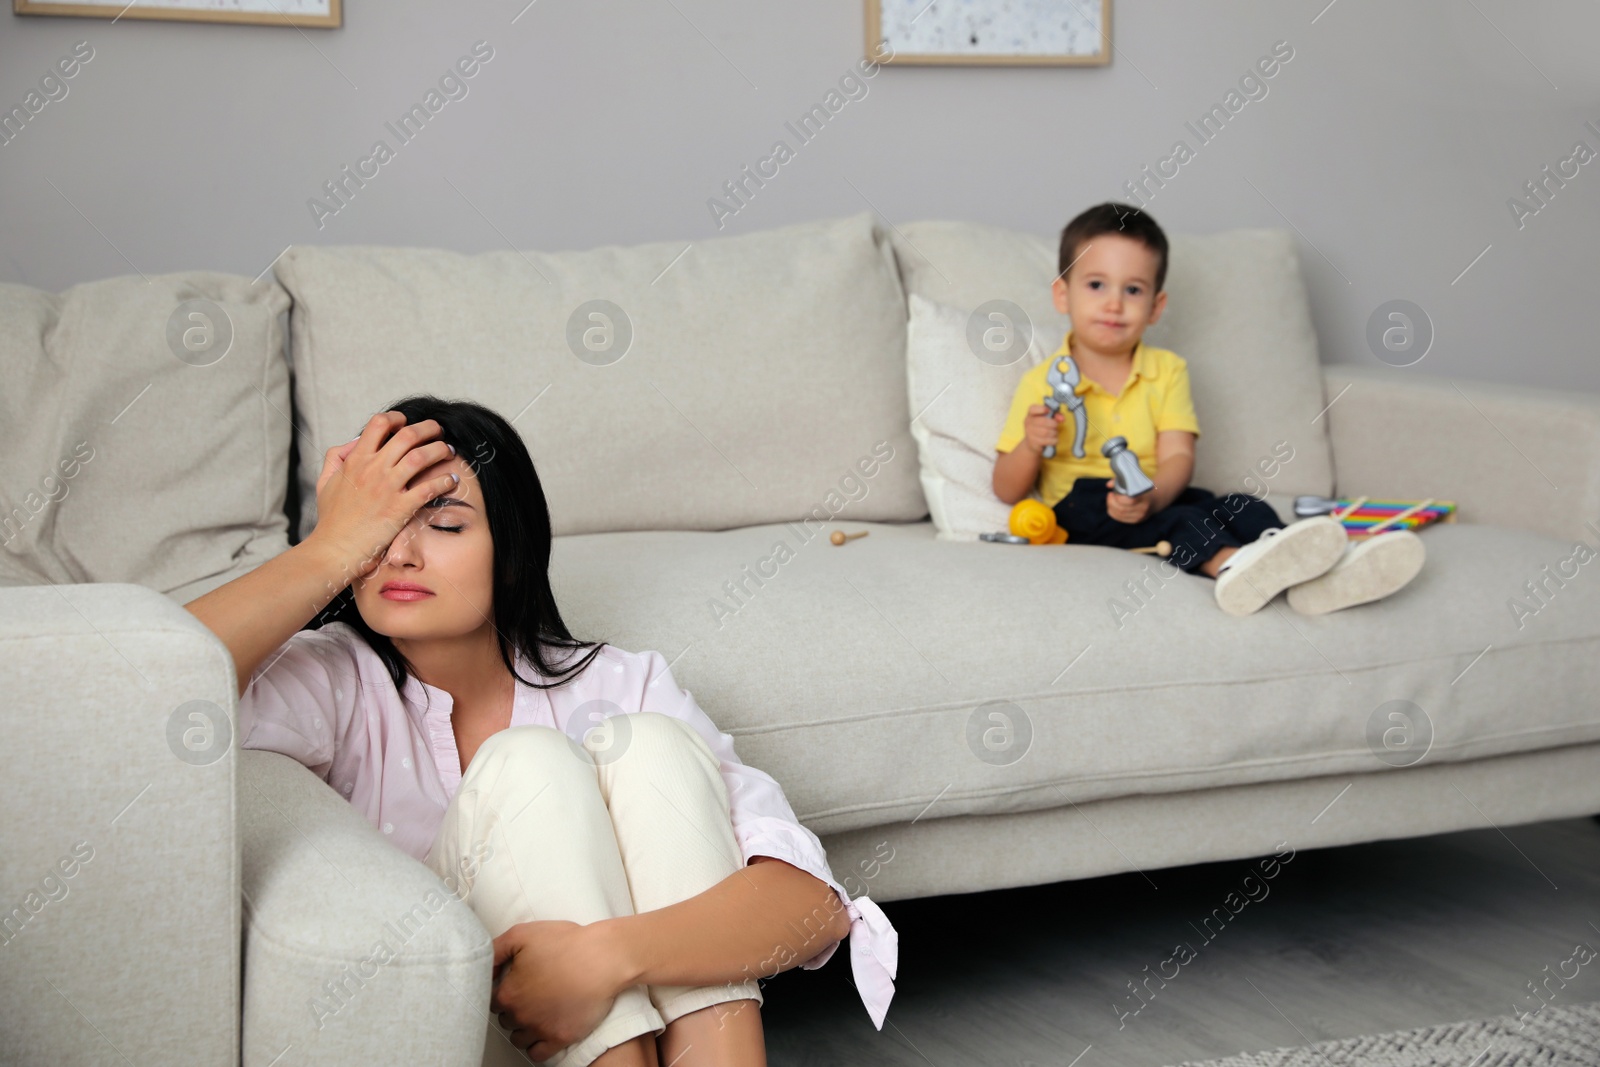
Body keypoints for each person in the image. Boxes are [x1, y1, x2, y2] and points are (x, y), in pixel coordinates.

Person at [183, 397, 898, 1067]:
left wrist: (602, 958)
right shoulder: (329, 680)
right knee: (530, 765)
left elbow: (811, 908)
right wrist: (327, 549)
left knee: (647, 745)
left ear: (513, 552)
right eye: (377, 528)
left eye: (444, 522)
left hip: (632, 1011)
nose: (398, 554)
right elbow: (156, 681)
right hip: (465, 1032)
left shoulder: (624, 684)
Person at [992, 202, 1426, 616]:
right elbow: (1006, 490)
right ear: (1062, 295)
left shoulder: (1167, 371)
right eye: (1096, 284)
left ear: (1156, 307)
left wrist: (1152, 496)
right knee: (1182, 523)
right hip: (1080, 511)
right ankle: (1235, 569)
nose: (1114, 303)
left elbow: (1179, 456)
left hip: (1154, 492)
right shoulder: (1043, 383)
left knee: (1236, 505)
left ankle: (1323, 568)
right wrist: (1031, 445)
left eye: (1133, 289)